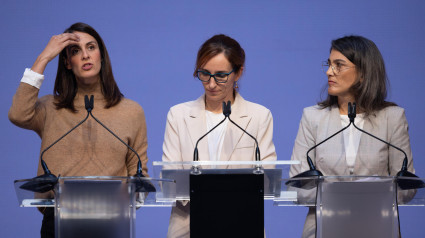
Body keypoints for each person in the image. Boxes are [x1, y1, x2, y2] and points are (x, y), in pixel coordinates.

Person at [8, 22, 148, 238]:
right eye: (76, 51)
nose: (85, 56)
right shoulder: (50, 108)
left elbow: (139, 174)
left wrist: (127, 203)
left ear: (102, 56)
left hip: (111, 220)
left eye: (91, 47)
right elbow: (18, 114)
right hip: (58, 220)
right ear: (66, 62)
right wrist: (43, 58)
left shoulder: (131, 111)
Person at [289, 35, 415, 238]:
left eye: (339, 65)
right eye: (329, 64)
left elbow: (407, 189)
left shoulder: (393, 118)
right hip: (321, 230)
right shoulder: (312, 117)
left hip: (379, 229)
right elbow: (300, 187)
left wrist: (342, 194)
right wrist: (352, 195)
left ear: (364, 73)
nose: (330, 72)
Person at [162, 34, 277, 237]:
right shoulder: (178, 115)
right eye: (204, 74)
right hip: (187, 227)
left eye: (221, 75)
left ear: (238, 72)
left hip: (242, 223)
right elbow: (172, 177)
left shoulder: (259, 116)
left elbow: (266, 177)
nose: (211, 84)